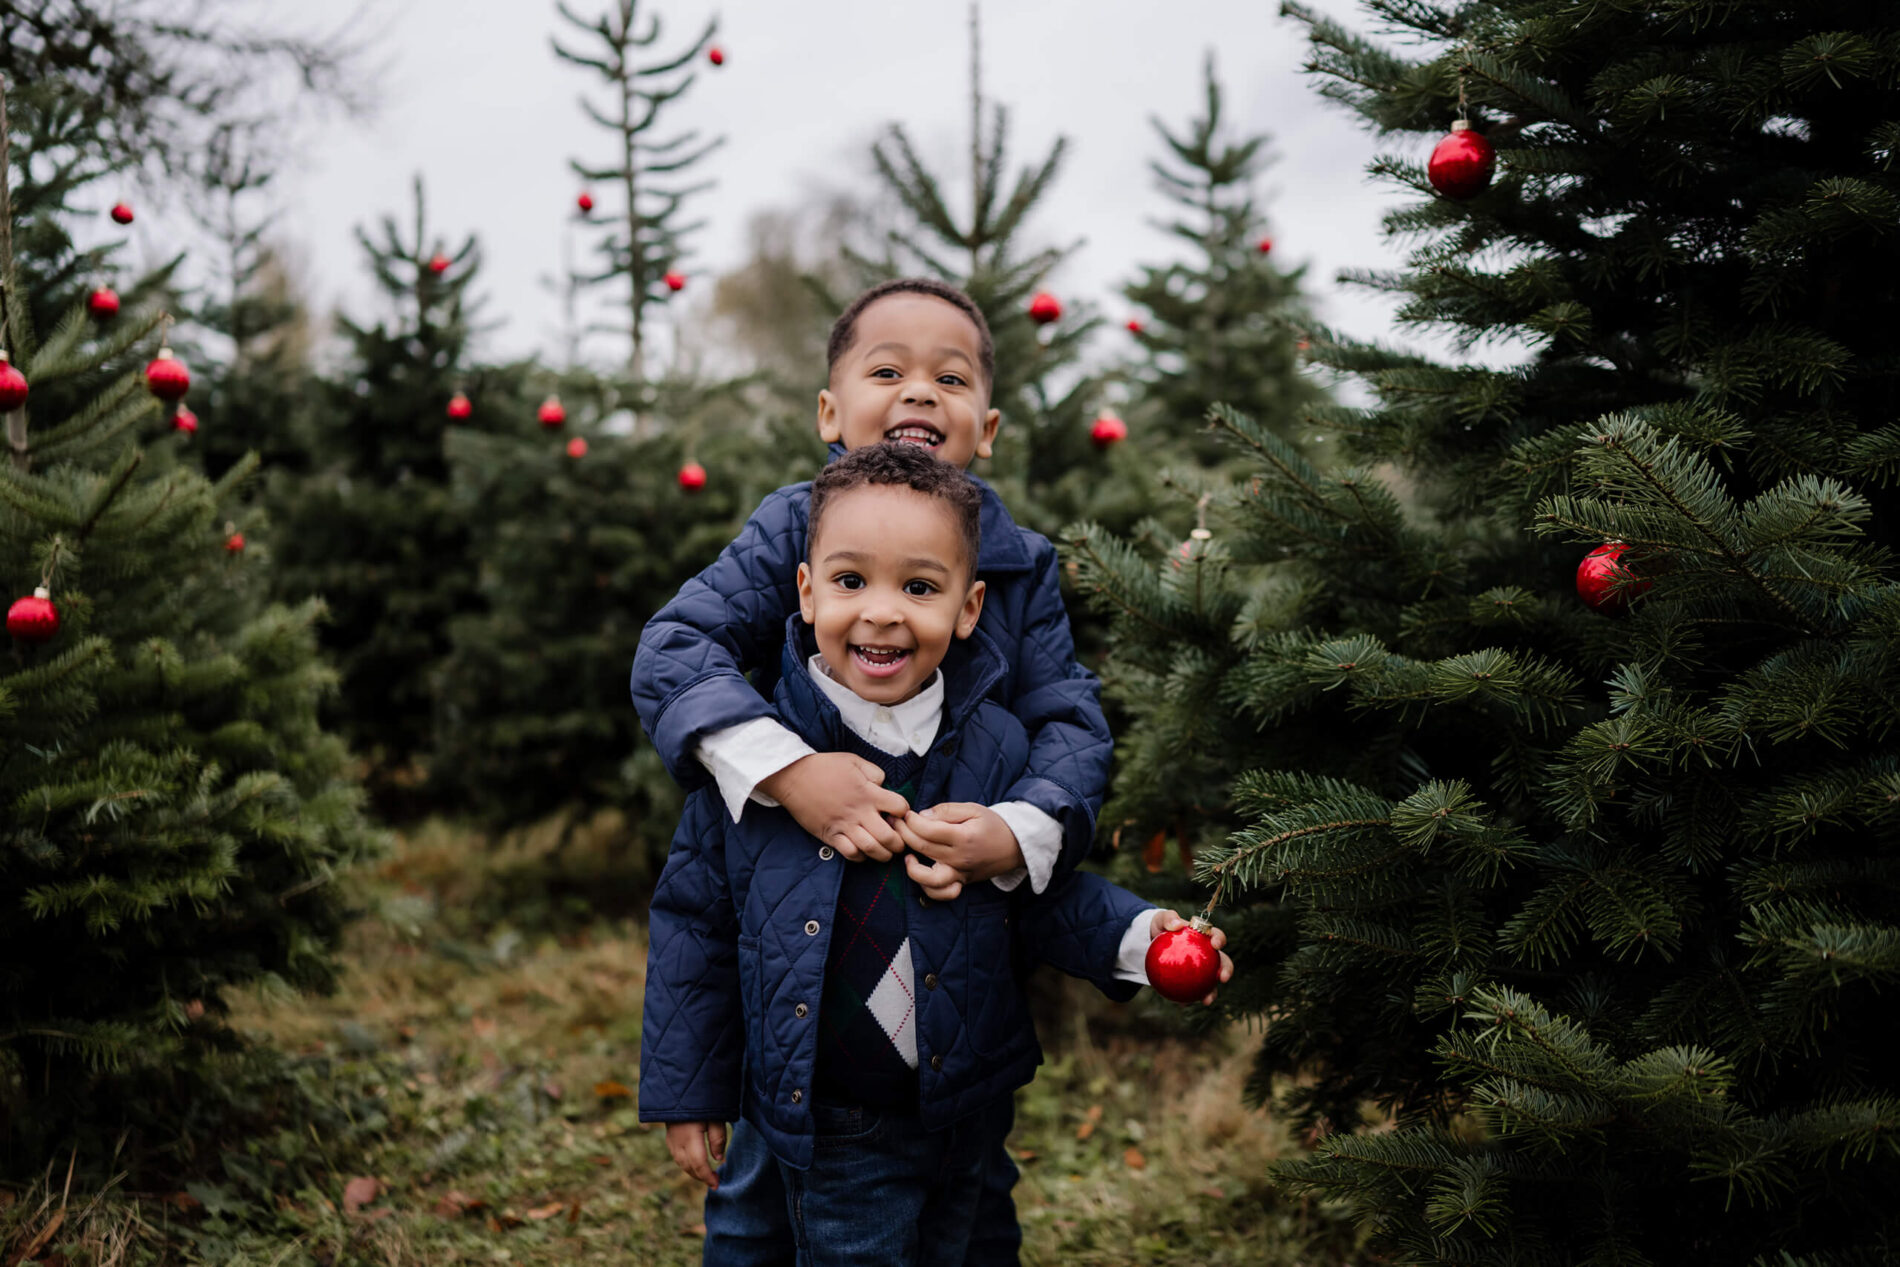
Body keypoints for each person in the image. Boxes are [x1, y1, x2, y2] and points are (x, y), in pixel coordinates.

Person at [638, 443, 1232, 1266]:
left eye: (919, 587)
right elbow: (694, 927)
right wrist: (689, 1092)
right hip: (841, 1116)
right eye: (851, 582)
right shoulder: (759, 758)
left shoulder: (993, 750)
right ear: (806, 592)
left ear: (969, 607)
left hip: (969, 1107)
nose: (882, 612)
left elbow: (1042, 896)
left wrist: (1140, 938)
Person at [630, 277, 1117, 1263]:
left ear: (988, 426)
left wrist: (1018, 828)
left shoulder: (1016, 563)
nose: (918, 393)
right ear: (829, 414)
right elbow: (677, 645)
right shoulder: (795, 523)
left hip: (928, 909)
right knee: (766, 1173)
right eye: (886, 370)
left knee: (922, 1180)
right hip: (798, 863)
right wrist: (788, 771)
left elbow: (1065, 712)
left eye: (949, 376)